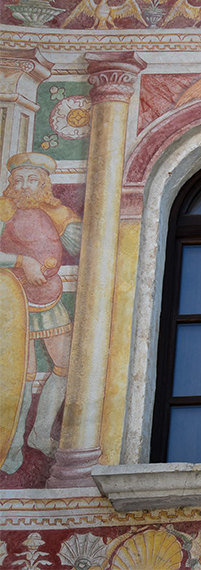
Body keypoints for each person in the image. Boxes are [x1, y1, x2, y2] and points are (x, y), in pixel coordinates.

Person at [0, 152, 81, 474]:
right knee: (23, 373)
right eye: (19, 180)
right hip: (13, 300)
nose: (25, 186)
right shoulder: (4, 209)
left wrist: (69, 223)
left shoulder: (56, 212)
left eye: (32, 179)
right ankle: (12, 446)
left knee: (66, 364)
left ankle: (40, 433)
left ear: (44, 184)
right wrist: (23, 261)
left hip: (49, 297)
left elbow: (84, 245)